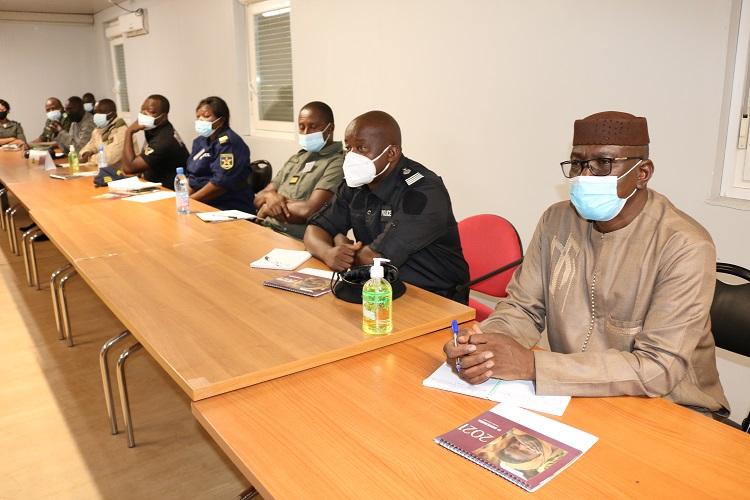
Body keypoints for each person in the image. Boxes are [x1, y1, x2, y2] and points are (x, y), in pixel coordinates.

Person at [444, 111, 729, 416]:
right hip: (575, 391)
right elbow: (523, 308)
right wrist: (482, 347)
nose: (586, 176)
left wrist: (532, 365)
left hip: (671, 408)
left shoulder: (684, 245)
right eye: (578, 164)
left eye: (603, 163)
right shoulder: (556, 220)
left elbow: (658, 368)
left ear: (642, 172)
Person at [305, 110, 470, 303]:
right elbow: (314, 230)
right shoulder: (356, 184)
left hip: (435, 297)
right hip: (379, 289)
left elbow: (375, 258)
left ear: (391, 153)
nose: (351, 156)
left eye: (362, 148)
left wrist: (342, 247)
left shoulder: (424, 191)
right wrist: (328, 253)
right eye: (348, 148)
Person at [254, 101, 344, 239]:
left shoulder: (337, 162)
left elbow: (309, 211)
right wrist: (270, 197)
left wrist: (267, 208)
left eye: (313, 127)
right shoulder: (297, 158)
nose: (306, 132)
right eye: (302, 127)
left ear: (330, 128)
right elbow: (259, 198)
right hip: (266, 229)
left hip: (295, 239)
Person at [186, 96, 253, 212]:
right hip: (200, 201)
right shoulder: (200, 141)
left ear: (221, 121)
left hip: (226, 206)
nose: (200, 120)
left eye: (206, 116)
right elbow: (192, 176)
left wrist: (190, 202)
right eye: (198, 117)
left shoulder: (229, 144)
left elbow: (220, 184)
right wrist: (183, 198)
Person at [121, 94, 189, 189]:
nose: (144, 114)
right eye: (142, 110)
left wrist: (129, 132)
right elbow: (145, 159)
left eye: (151, 112)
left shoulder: (164, 139)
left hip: (171, 191)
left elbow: (129, 168)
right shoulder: (156, 129)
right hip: (156, 185)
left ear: (163, 116)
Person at [79, 98, 130, 168]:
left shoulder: (122, 131)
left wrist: (89, 158)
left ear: (112, 114)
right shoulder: (98, 130)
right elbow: (88, 148)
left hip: (123, 172)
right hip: (104, 170)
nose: (96, 115)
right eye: (95, 112)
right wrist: (86, 153)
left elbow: (108, 159)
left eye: (101, 112)